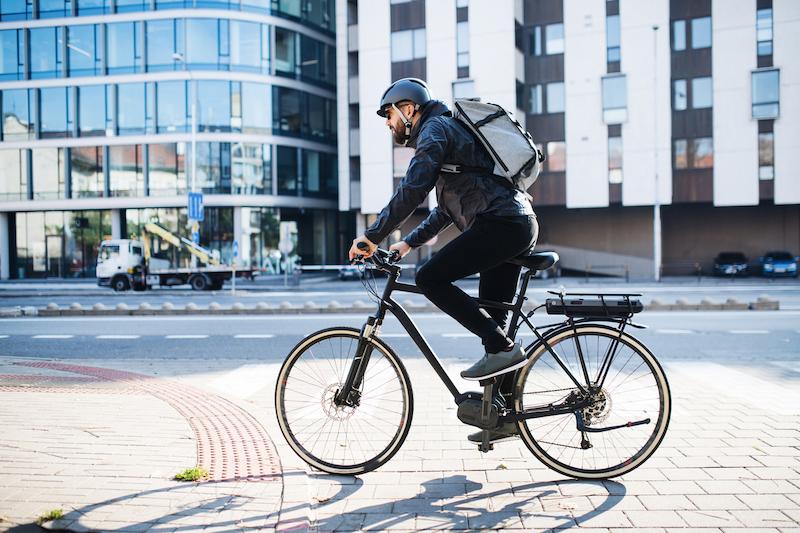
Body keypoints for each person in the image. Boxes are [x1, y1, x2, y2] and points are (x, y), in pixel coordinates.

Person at [347, 78, 539, 443]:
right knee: (493, 325)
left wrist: (372, 236)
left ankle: (503, 350)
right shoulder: (448, 132)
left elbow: (412, 188)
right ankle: (503, 418)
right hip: (513, 223)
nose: (389, 124)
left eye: (389, 114)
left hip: (502, 225)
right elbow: (445, 210)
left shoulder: (434, 130)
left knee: (430, 278)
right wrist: (405, 244)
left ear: (408, 108)